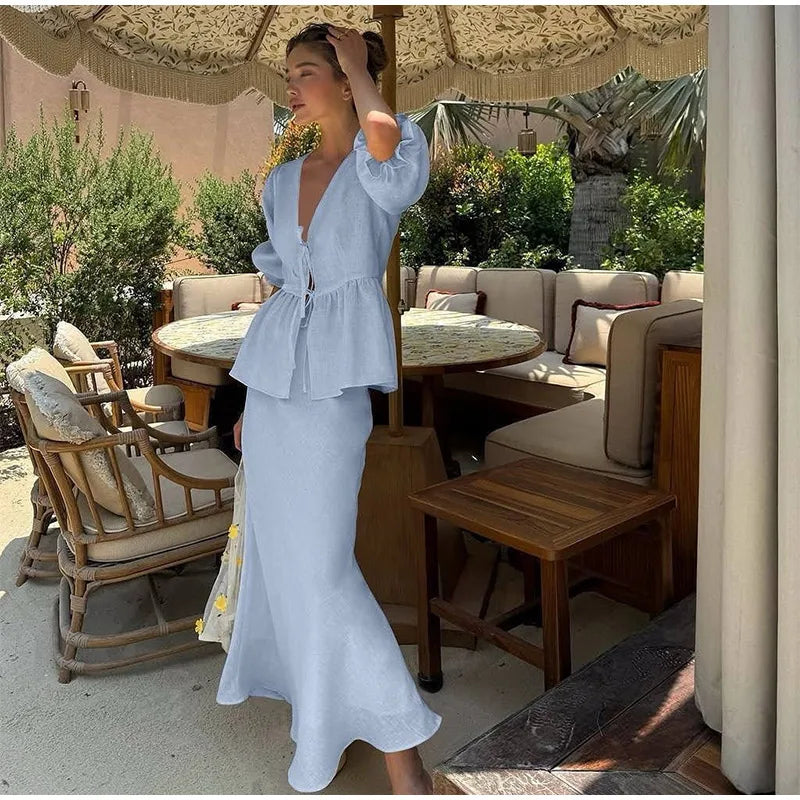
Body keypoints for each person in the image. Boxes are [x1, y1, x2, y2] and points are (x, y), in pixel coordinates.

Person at [216, 21, 442, 794]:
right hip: (276, 392)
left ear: (345, 77)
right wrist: (248, 396)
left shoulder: (388, 159)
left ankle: (404, 752)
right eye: (289, 74)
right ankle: (321, 724)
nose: (291, 86)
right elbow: (284, 289)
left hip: (337, 393)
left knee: (322, 571)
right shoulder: (280, 182)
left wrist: (357, 62)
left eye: (306, 71)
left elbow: (384, 146)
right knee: (289, 563)